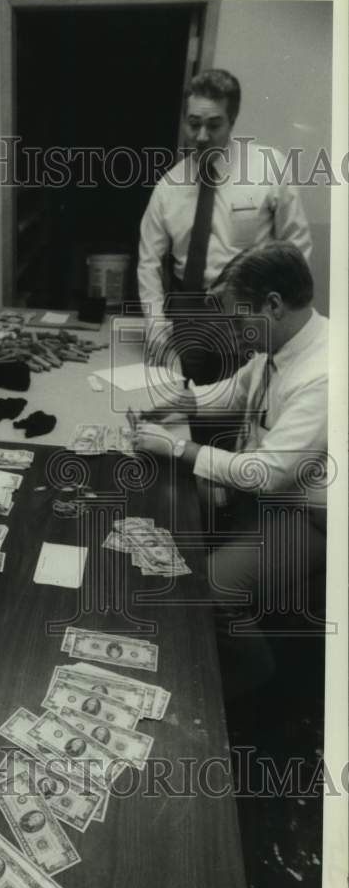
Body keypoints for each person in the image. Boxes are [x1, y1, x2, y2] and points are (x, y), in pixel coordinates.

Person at [134, 242, 327, 692]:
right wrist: (180, 402)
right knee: (167, 519)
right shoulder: (280, 346)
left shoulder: (324, 373)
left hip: (311, 519)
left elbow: (265, 473)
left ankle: (254, 692)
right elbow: (233, 392)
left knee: (208, 590)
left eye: (238, 318)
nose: (233, 331)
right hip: (269, 500)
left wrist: (176, 448)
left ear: (273, 305)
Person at [138, 69, 312, 387]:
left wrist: (277, 320)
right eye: (193, 123)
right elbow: (149, 263)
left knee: (243, 403)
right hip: (188, 314)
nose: (201, 135)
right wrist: (156, 326)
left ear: (232, 121)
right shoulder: (168, 187)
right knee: (187, 402)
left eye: (213, 124)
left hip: (247, 314)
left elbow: (296, 248)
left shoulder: (267, 169)